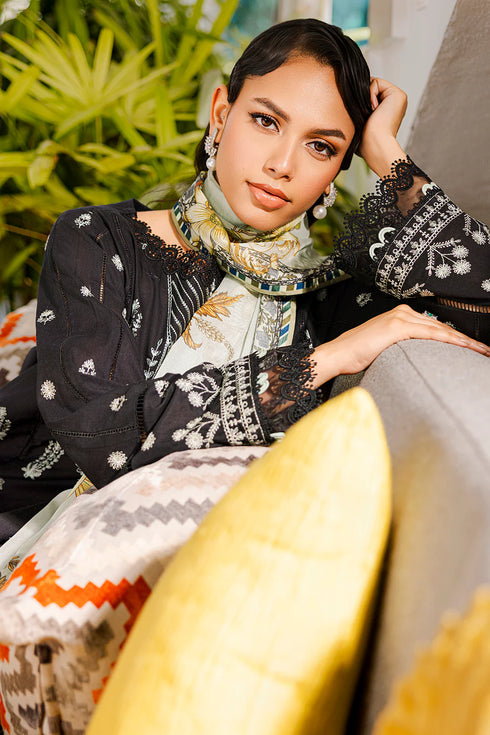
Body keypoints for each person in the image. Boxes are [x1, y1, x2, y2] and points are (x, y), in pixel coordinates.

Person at [0, 17, 489, 545]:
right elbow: (100, 432)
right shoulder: (97, 240)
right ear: (221, 114)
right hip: (24, 514)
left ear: (337, 171)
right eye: (265, 121)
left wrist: (386, 152)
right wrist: (320, 362)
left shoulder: (321, 295)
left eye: (322, 147)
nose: (282, 164)